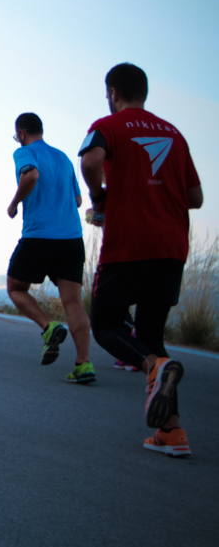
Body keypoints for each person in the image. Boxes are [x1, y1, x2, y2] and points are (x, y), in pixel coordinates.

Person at [79, 63, 203, 457]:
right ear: (143, 92)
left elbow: (90, 162)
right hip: (171, 247)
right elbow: (196, 197)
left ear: (113, 92)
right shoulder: (174, 133)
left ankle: (151, 364)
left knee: (106, 326)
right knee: (150, 332)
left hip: (129, 244)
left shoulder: (108, 125)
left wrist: (102, 200)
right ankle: (172, 433)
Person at [6, 113, 94, 383]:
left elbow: (30, 176)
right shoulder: (65, 159)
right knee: (73, 302)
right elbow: (78, 200)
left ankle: (48, 327)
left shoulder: (25, 153)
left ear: (21, 133)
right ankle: (84, 365)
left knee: (15, 288)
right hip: (71, 238)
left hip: (40, 236)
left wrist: (15, 203)